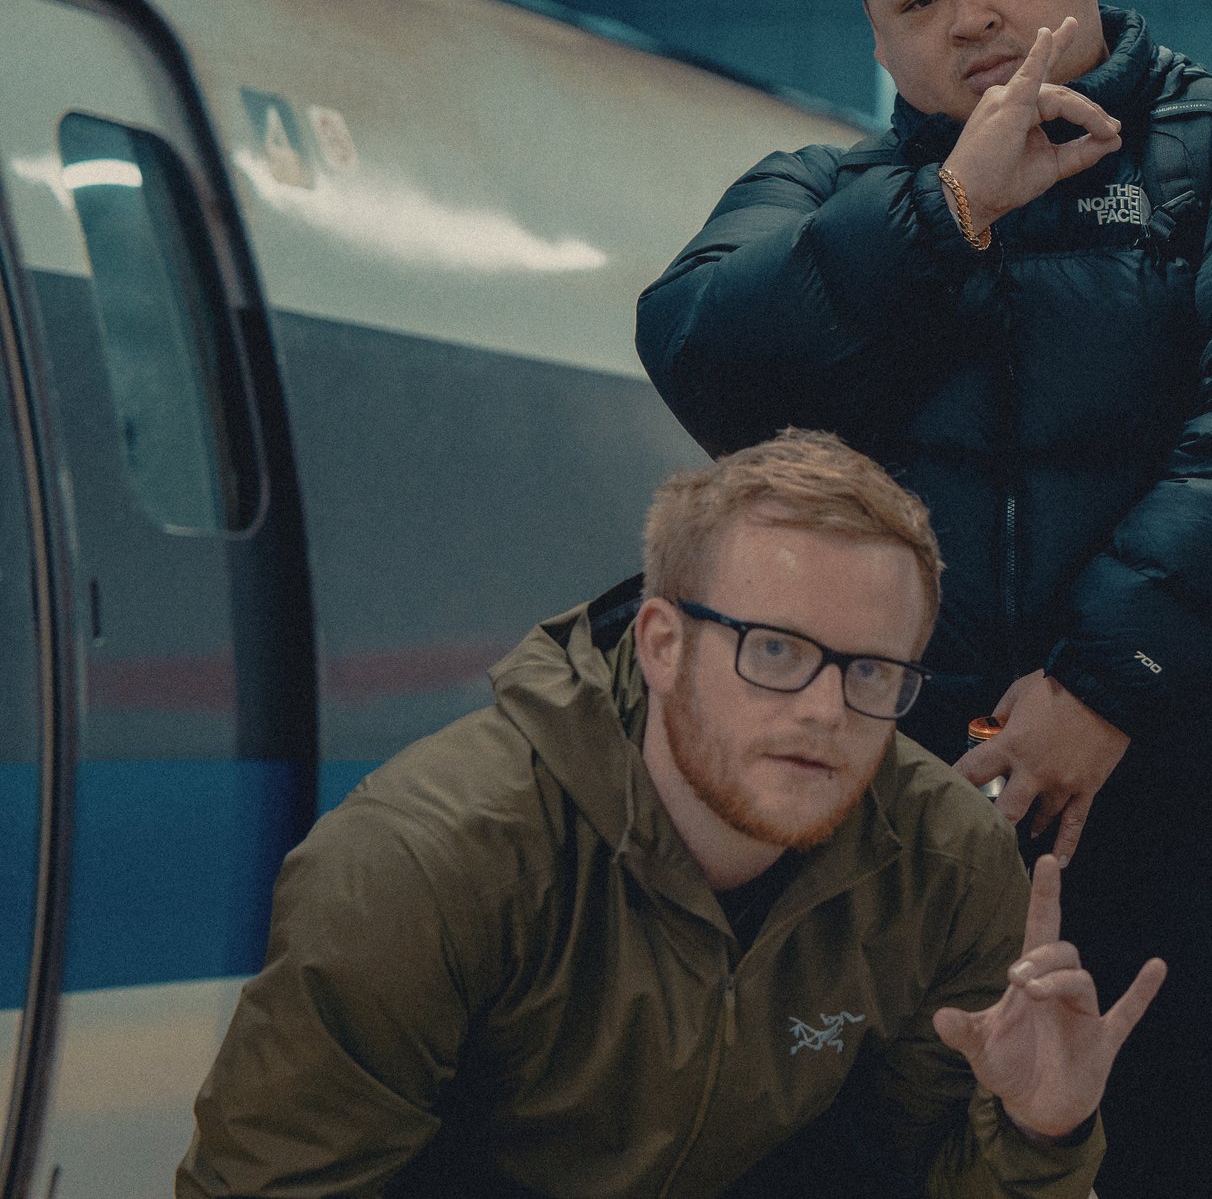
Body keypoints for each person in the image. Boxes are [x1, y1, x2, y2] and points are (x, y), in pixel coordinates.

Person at [635, 0, 1212, 1199]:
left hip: (1199, 842)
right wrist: (948, 212)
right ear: (876, 33)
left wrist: (1108, 679)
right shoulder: (825, 193)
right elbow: (704, 352)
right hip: (881, 859)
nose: (972, 21)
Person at [180, 429, 1158, 1199]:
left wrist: (1039, 1128)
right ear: (661, 644)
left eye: (870, 669)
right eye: (774, 649)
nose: (824, 707)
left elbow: (929, 1178)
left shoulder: (946, 860)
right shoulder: (425, 862)